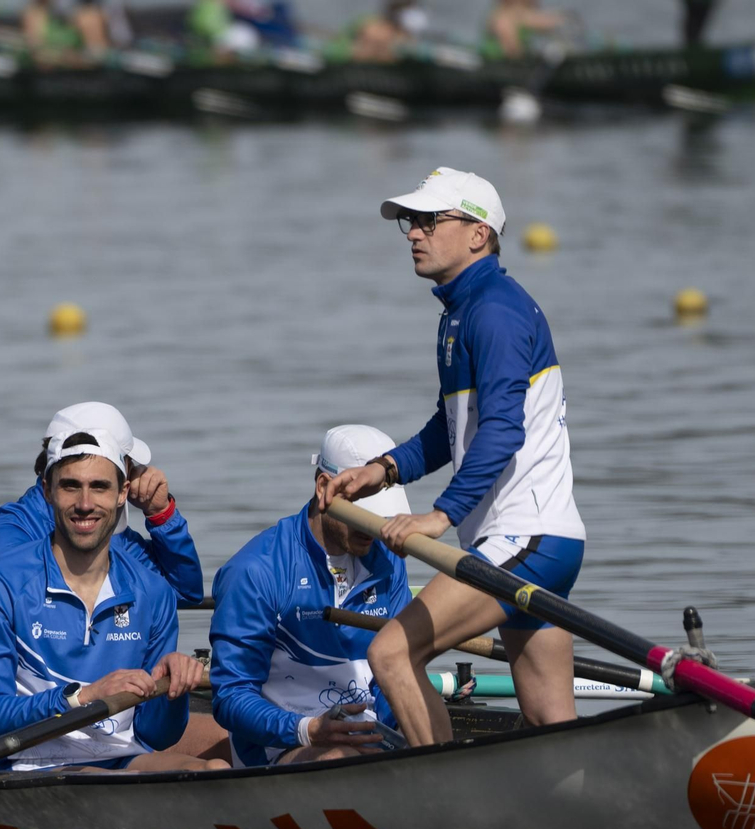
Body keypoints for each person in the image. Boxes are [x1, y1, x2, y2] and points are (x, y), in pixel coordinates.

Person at [323, 166, 586, 746]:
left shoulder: (494, 311)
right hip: (531, 542)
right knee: (551, 723)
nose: (414, 234)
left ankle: (442, 807)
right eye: (409, 224)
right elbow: (451, 429)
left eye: (428, 221)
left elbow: (500, 433)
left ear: (477, 233)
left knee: (390, 651)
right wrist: (381, 471)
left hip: (525, 542)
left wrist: (439, 516)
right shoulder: (462, 312)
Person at [0, 429, 225, 772]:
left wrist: (172, 691)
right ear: (47, 492)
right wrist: (81, 697)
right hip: (25, 761)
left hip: (121, 757)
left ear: (122, 493)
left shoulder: (153, 592)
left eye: (99, 487)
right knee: (92, 774)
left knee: (213, 769)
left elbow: (157, 736)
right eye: (71, 486)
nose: (85, 504)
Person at [210, 425, 414, 767]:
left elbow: (397, 672)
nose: (377, 528)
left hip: (369, 738)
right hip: (283, 746)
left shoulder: (390, 562)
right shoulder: (255, 571)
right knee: (344, 758)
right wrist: (307, 730)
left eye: (384, 513)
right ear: (324, 488)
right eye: (365, 508)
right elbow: (230, 697)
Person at [0, 401, 203, 605]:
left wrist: (161, 515)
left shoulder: (110, 534)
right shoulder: (8, 532)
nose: (85, 504)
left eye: (99, 484)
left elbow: (183, 593)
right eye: (131, 463)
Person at [484, 0, 571, 59]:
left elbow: (543, 21)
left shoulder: (521, 15)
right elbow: (513, 52)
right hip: (499, 66)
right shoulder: (502, 18)